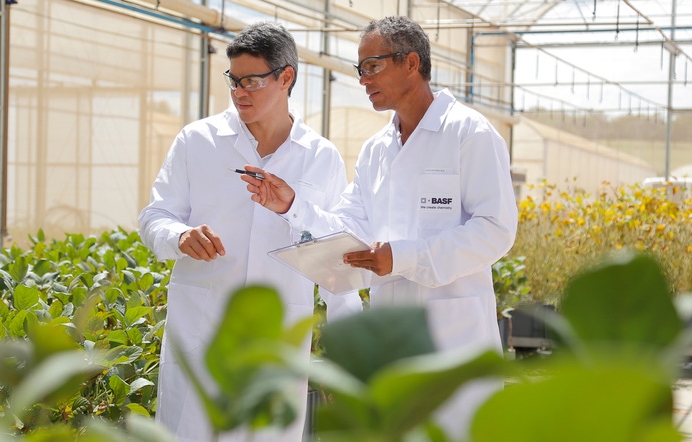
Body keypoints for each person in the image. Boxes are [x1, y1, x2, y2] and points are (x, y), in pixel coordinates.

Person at [240, 16, 518, 439]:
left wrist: (403, 257)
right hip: (391, 344)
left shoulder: (468, 133)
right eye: (360, 69)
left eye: (372, 66)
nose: (363, 79)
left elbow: (496, 229)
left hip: (454, 342)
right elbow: (348, 226)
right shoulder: (376, 151)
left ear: (411, 63)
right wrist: (293, 206)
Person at [138, 21, 360, 442]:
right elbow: (155, 216)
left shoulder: (321, 157)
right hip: (201, 335)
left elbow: (337, 254)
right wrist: (179, 236)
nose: (240, 92)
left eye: (252, 81)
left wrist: (347, 351)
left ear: (286, 78)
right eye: (234, 80)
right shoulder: (198, 141)